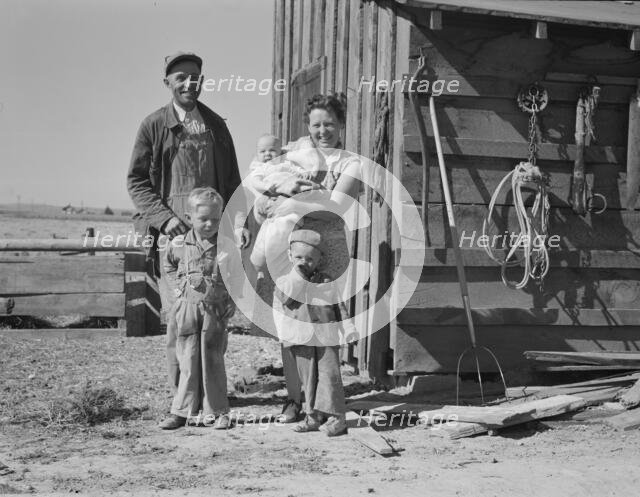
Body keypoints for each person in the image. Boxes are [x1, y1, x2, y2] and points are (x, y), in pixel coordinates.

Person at [127, 51, 250, 402]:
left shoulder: (216, 126)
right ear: (167, 82)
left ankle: (212, 397)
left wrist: (237, 224)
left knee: (212, 319)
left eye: (194, 76)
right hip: (174, 242)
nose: (188, 83)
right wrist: (165, 220)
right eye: (180, 77)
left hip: (213, 243)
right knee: (181, 320)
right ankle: (182, 399)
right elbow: (137, 181)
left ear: (203, 81)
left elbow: (233, 183)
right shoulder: (154, 125)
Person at [159, 187, 235, 430]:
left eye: (216, 219)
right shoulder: (179, 243)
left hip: (215, 312)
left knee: (213, 359)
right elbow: (168, 265)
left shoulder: (226, 245)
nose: (210, 224)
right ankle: (181, 411)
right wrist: (177, 289)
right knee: (186, 359)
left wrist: (232, 300)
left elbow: (237, 275)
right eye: (203, 219)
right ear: (188, 217)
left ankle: (218, 411)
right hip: (187, 311)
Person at [273, 229, 353, 436]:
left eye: (310, 259)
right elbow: (285, 298)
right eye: (298, 257)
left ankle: (337, 418)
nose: (304, 262)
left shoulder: (326, 281)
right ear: (290, 256)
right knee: (309, 379)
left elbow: (339, 306)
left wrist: (349, 328)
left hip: (326, 337)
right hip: (301, 338)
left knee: (329, 377)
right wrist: (299, 275)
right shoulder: (285, 281)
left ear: (319, 260)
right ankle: (313, 416)